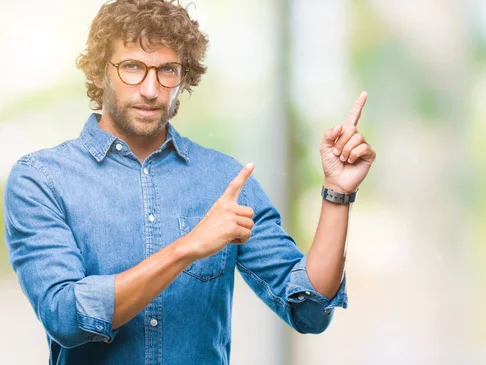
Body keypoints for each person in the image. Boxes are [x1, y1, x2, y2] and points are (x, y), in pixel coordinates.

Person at [3, 0, 376, 364]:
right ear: (101, 70)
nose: (151, 89)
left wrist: (338, 194)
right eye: (132, 67)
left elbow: (310, 310)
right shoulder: (42, 179)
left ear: (184, 77)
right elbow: (66, 318)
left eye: (167, 70)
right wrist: (190, 246)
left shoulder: (224, 179)